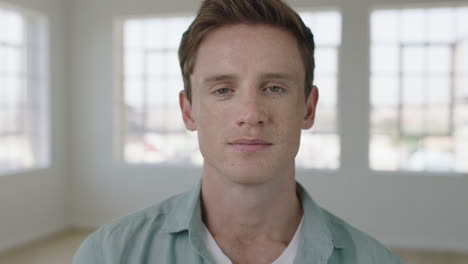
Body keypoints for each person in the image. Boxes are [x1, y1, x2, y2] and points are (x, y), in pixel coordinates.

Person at [73, 0, 402, 263]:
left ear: (308, 108)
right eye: (222, 90)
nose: (250, 114)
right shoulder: (109, 255)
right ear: (188, 111)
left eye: (273, 88)